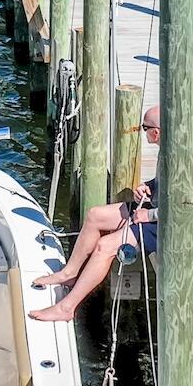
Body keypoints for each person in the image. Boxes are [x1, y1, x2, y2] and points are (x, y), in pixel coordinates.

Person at [29, 106, 161, 322]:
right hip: (154, 211)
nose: (143, 132)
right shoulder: (165, 151)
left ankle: (67, 308)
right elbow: (163, 186)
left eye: (145, 128)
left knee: (105, 247)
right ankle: (69, 273)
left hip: (170, 226)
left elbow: (185, 206)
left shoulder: (177, 159)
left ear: (155, 132)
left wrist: (151, 216)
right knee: (94, 215)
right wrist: (149, 186)